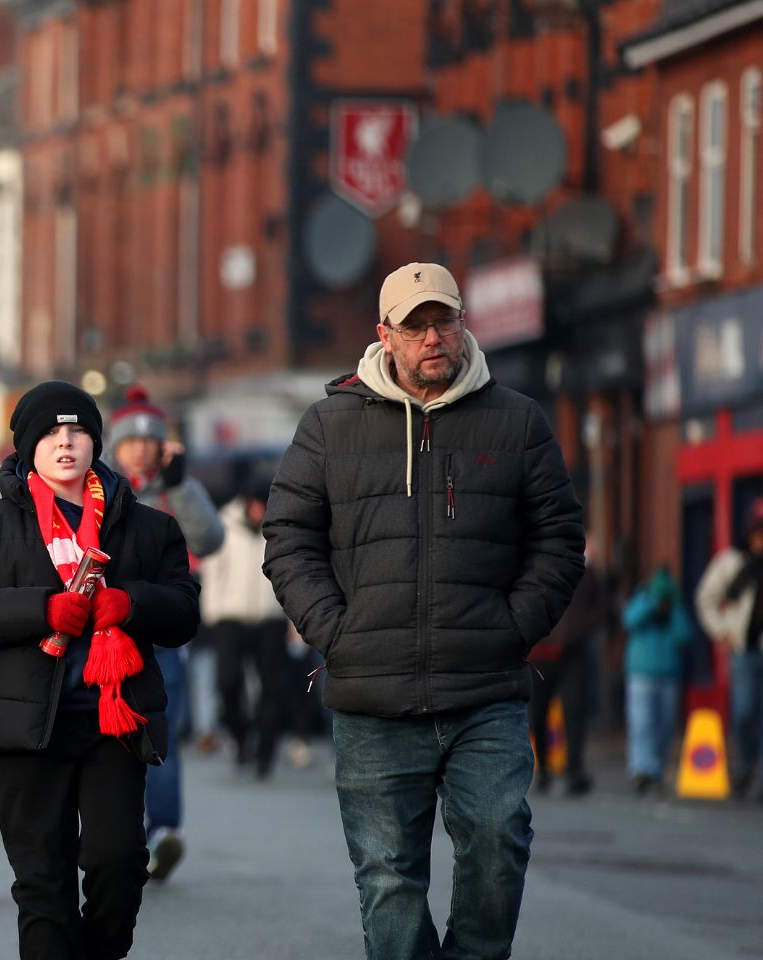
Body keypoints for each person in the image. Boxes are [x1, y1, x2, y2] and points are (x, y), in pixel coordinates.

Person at [263, 262, 585, 960]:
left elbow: (559, 539)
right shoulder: (328, 426)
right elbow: (288, 538)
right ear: (384, 336)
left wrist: (510, 630)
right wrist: (336, 634)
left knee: (500, 840)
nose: (433, 337)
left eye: (444, 321)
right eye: (415, 326)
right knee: (388, 879)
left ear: (464, 323)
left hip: (485, 690)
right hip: (371, 696)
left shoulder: (517, 421)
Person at [0, 381, 199, 959]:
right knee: (43, 886)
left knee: (117, 869)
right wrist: (41, 609)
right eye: (51, 433)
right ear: (26, 445)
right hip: (26, 728)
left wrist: (129, 604)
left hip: (114, 724)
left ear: (96, 442)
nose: (65, 444)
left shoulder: (148, 527)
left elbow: (184, 612)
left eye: (77, 431)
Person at [106, 385, 223, 881]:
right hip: (106, 633)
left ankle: (164, 831)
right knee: (107, 738)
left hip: (159, 632)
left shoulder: (176, 489)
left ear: (162, 446)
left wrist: (179, 486)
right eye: (129, 441)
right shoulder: (102, 488)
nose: (138, 449)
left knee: (160, 732)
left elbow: (209, 539)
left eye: (147, 440)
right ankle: (118, 834)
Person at [198, 484, 290, 778]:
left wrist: (293, 619)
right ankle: (238, 736)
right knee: (227, 680)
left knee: (272, 687)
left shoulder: (284, 522)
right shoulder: (224, 523)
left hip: (270, 617)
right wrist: (211, 614)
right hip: (230, 616)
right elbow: (213, 570)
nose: (258, 510)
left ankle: (265, 751)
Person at [696, 501, 763, 798]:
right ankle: (745, 765)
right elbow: (706, 598)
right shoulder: (733, 563)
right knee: (745, 711)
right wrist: (722, 631)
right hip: (744, 650)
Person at [530, 545, 607, 796]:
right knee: (537, 714)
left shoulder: (585, 570)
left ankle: (574, 769)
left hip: (573, 652)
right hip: (539, 654)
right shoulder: (530, 564)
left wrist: (580, 631)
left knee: (574, 711)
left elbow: (601, 606)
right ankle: (543, 768)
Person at [622, 567, 695, 795]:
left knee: (663, 725)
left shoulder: (675, 607)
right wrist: (652, 603)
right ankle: (642, 770)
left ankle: (658, 770)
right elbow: (629, 619)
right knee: (642, 723)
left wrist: (671, 610)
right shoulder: (642, 598)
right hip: (640, 673)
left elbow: (685, 634)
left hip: (667, 673)